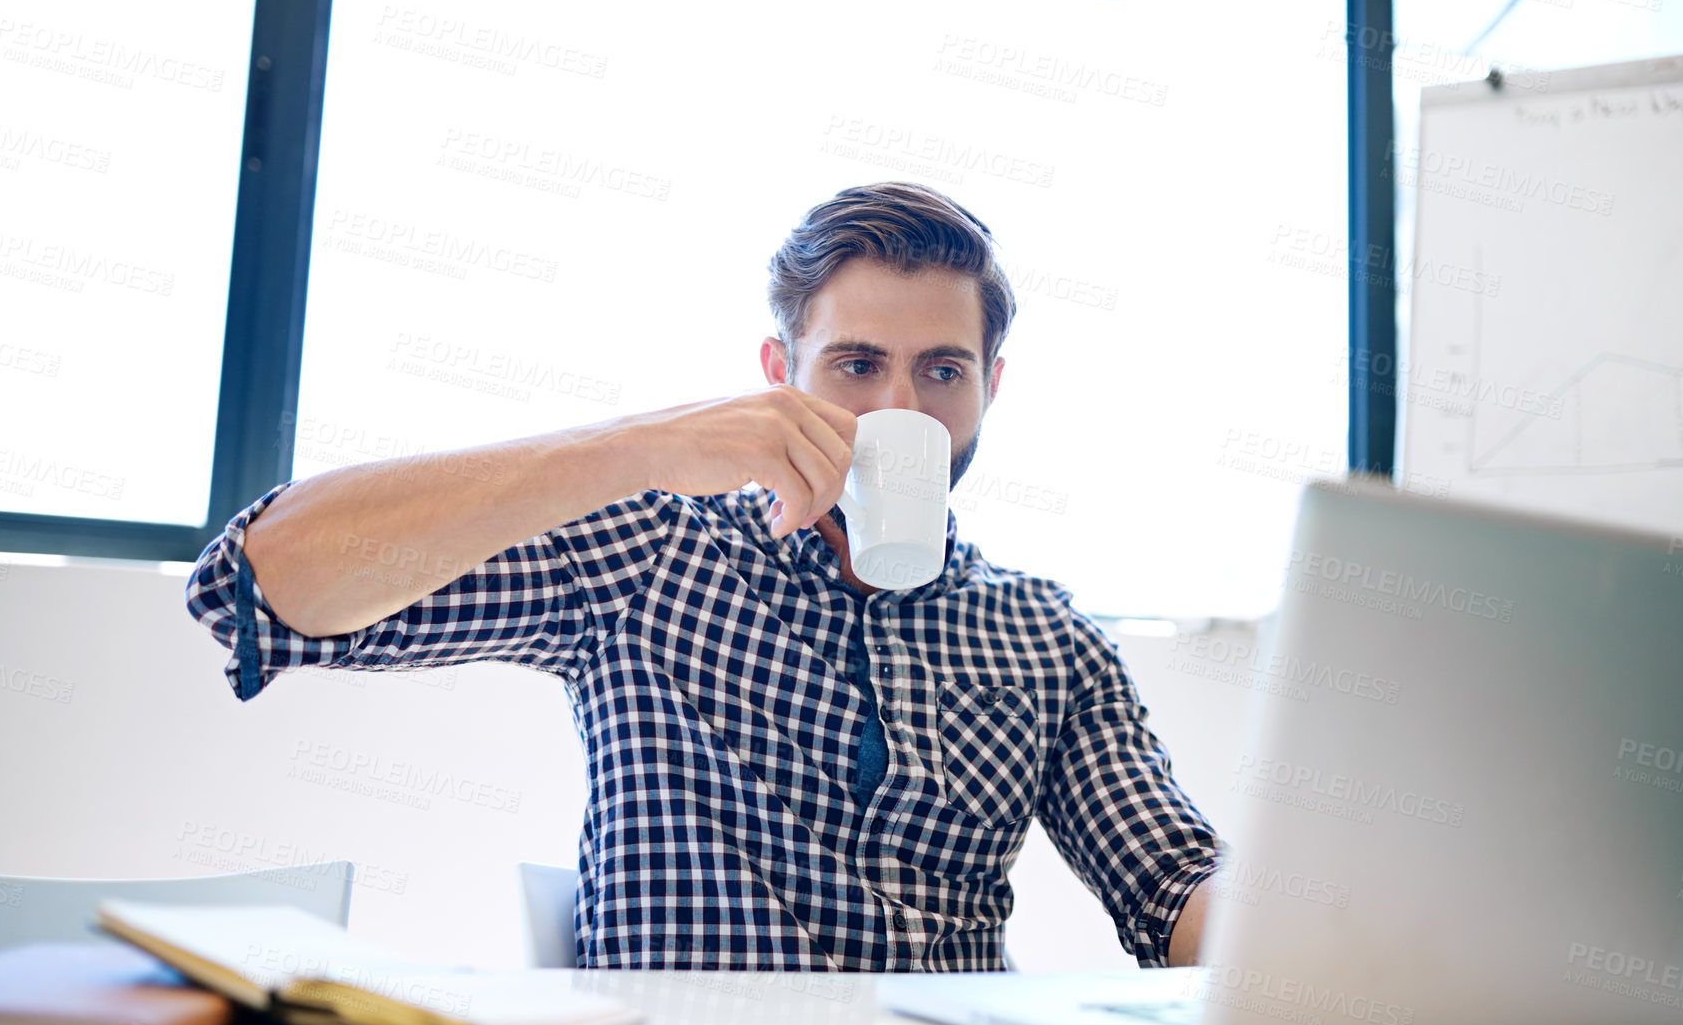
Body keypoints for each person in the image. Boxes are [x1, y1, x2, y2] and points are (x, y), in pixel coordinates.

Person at [186, 181, 1220, 971]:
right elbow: (260, 588)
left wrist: (1338, 926)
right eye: (856, 365)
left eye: (941, 371)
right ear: (779, 377)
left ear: (990, 388)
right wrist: (641, 446)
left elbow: (1173, 891)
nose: (898, 410)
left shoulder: (1046, 638)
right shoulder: (651, 554)